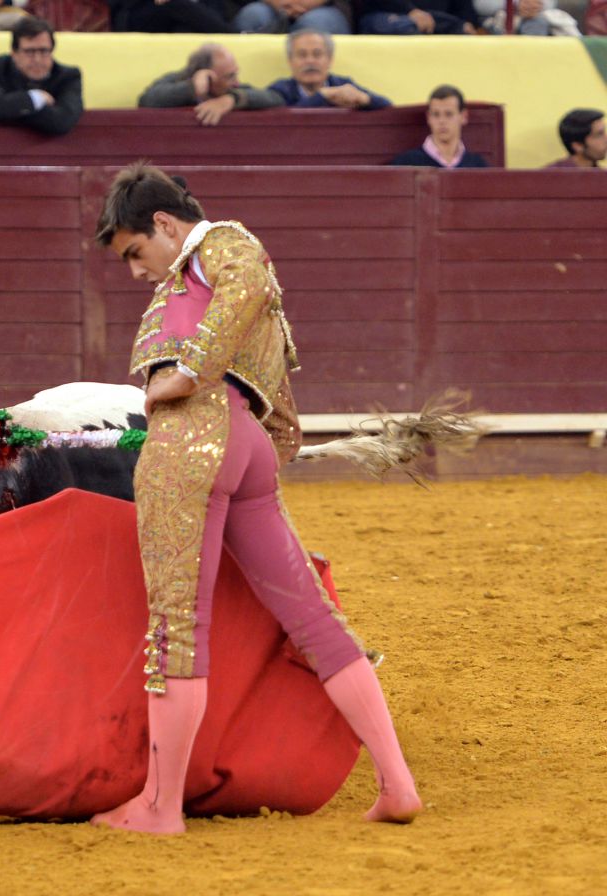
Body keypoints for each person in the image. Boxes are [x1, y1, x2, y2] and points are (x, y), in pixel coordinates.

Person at [89, 163, 422, 834]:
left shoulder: (219, 245)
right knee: (314, 620)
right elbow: (265, 341)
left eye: (135, 252)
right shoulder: (202, 267)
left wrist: (186, 374)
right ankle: (397, 783)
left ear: (164, 223)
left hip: (191, 444)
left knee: (178, 627)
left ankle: (159, 806)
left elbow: (248, 286)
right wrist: (264, 437)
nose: (136, 270)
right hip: (244, 444)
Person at [0, 18, 83, 136]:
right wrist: (36, 98)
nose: (37, 59)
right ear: (14, 53)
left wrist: (12, 110)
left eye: (44, 51)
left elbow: (61, 121)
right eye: (29, 52)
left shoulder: (68, 77)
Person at [138, 43, 283, 127]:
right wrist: (191, 88)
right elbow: (146, 100)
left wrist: (232, 99)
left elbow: (275, 98)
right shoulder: (177, 80)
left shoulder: (233, 90)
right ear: (208, 76)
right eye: (230, 76)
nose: (236, 82)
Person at [266, 30, 391, 110]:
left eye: (317, 54)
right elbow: (285, 118)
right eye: (302, 55)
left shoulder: (341, 84)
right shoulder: (280, 90)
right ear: (290, 61)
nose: (310, 61)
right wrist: (323, 96)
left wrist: (365, 99)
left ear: (330, 60)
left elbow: (387, 107)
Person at [392, 85, 489, 168]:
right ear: (428, 118)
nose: (442, 121)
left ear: (464, 117)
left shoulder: (478, 166)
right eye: (436, 114)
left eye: (449, 114)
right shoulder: (406, 163)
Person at [107, 0, 236, 33]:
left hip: (191, 15)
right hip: (139, 14)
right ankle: (235, 35)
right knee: (176, 4)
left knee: (186, 28)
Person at [233, 0, 352, 35]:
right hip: (272, 5)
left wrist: (303, 3)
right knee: (252, 16)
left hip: (325, 7)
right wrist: (280, 3)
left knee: (312, 26)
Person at [358, 0, 480, 33]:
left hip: (437, 26)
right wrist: (410, 11)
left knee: (464, 30)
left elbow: (466, 12)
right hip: (388, 18)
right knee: (406, 26)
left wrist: (467, 24)